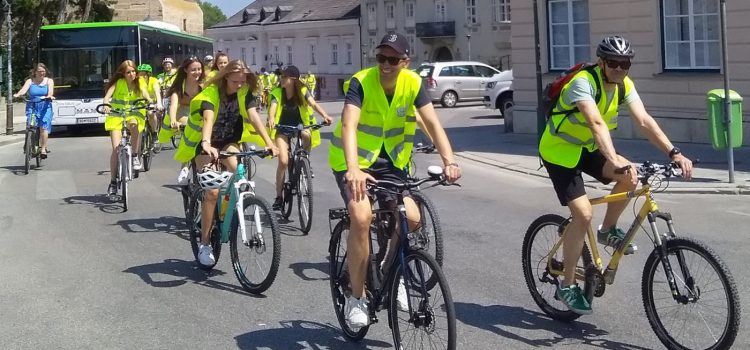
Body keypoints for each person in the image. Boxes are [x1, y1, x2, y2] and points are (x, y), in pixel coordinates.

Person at [539, 36, 694, 315]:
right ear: (602, 62)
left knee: (630, 178)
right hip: (559, 151)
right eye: (614, 63)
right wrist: (614, 159)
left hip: (586, 148)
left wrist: (674, 152)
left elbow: (644, 121)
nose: (620, 69)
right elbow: (596, 123)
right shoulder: (582, 83)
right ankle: (568, 283)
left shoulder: (624, 85)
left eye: (625, 63)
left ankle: (608, 230)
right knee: (583, 214)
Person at [328, 33, 461, 330]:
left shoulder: (412, 83)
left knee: (411, 219)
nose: (385, 65)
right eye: (381, 58)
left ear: (405, 61)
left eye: (392, 59)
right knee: (361, 218)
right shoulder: (361, 82)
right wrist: (353, 169)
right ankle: (356, 296)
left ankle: (392, 273)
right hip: (354, 162)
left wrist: (449, 160)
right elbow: (349, 124)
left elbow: (432, 123)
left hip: (393, 164)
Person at [173, 60, 278, 266]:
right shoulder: (211, 93)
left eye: (243, 81)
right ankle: (204, 243)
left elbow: (254, 116)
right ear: (226, 77)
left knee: (240, 176)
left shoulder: (243, 92)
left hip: (229, 141)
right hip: (206, 144)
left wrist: (269, 143)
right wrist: (205, 143)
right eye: (236, 81)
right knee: (212, 191)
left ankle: (226, 213)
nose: (240, 84)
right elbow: (208, 120)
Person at [267, 65, 333, 210]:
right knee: (283, 161)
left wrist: (325, 116)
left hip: (299, 126)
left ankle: (305, 159)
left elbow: (313, 104)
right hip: (282, 129)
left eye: (285, 76)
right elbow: (273, 106)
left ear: (293, 79)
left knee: (306, 134)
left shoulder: (302, 91)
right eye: (281, 76)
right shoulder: (277, 92)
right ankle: (279, 197)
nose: (281, 79)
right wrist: (271, 118)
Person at [102, 60, 152, 196]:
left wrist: (149, 101)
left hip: (133, 114)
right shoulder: (118, 83)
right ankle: (113, 182)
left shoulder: (140, 82)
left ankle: (135, 155)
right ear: (123, 74)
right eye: (128, 72)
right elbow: (107, 97)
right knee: (116, 149)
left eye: (133, 71)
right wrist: (106, 105)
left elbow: (145, 93)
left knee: (135, 125)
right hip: (117, 116)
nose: (132, 74)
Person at [157, 56, 206, 184]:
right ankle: (184, 167)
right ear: (185, 70)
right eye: (193, 70)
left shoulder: (204, 85)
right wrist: (173, 120)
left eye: (199, 69)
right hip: (183, 112)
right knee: (188, 127)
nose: (197, 72)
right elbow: (173, 105)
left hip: (200, 112)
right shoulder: (179, 86)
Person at [13, 63, 55, 158]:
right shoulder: (30, 81)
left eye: (43, 71)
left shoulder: (49, 81)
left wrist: (49, 96)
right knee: (31, 126)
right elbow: (23, 90)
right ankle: (30, 145)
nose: (41, 73)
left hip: (45, 106)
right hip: (32, 106)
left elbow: (50, 91)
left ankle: (43, 149)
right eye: (39, 71)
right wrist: (18, 94)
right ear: (35, 72)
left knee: (43, 127)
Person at [137, 64, 164, 146]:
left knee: (150, 113)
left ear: (148, 74)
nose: (141, 76)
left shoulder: (153, 80)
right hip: (142, 102)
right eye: (140, 74)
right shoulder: (138, 81)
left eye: (143, 74)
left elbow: (157, 92)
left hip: (154, 102)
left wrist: (159, 103)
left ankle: (154, 132)